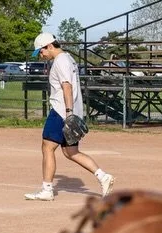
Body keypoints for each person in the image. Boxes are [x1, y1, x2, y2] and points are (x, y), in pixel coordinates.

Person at [24, 32, 115, 201]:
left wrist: (68, 113)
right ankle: (103, 176)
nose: (41, 55)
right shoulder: (68, 59)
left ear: (49, 46)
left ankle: (47, 189)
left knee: (47, 147)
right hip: (68, 109)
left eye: (41, 51)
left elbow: (67, 87)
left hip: (61, 110)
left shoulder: (60, 61)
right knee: (71, 151)